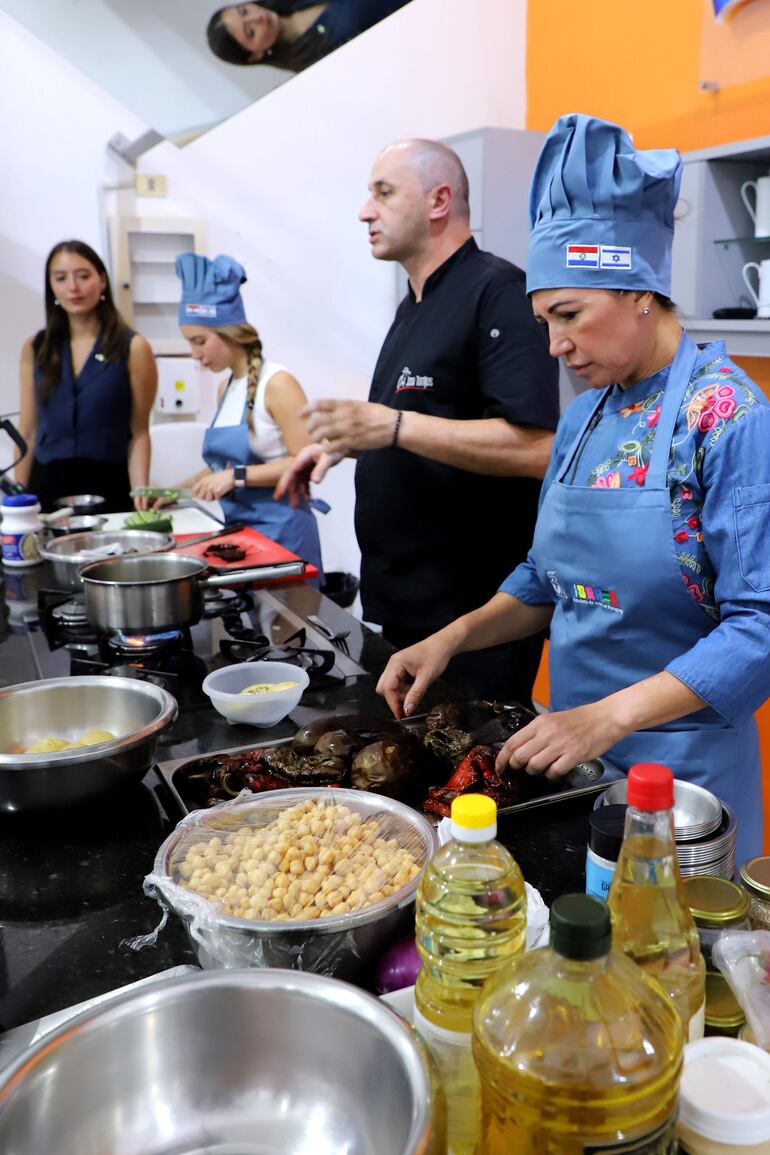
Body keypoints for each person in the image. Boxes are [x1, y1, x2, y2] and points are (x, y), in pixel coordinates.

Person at [377, 114, 770, 864]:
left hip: (680, 780)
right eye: (543, 319)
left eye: (568, 315)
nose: (554, 345)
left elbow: (759, 629)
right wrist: (451, 637)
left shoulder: (725, 416)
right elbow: (546, 576)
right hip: (576, 762)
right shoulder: (588, 412)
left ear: (639, 291)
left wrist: (606, 717)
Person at [276, 139, 559, 705]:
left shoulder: (498, 292)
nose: (365, 210)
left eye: (383, 192)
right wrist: (346, 445)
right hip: (402, 607)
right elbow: (425, 423)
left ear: (439, 201)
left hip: (472, 620)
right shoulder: (414, 303)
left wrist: (391, 428)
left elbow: (535, 447)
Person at [157, 252, 324, 579]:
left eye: (200, 341)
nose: (194, 353)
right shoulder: (227, 388)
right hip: (243, 537)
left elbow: (306, 460)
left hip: (285, 537)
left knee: (288, 630)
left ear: (229, 331)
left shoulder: (278, 384)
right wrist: (173, 493)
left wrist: (236, 478)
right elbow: (222, 467)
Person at [16, 240, 157, 512]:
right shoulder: (36, 347)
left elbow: (139, 432)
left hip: (109, 485)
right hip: (47, 487)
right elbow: (28, 431)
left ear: (102, 280)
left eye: (83, 276)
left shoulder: (133, 347)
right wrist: (18, 501)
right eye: (61, 278)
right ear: (51, 286)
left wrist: (141, 491)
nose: (73, 287)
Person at [207, 1, 410, 72]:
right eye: (250, 31)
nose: (258, 17)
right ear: (255, 56)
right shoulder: (315, 63)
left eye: (244, 11)